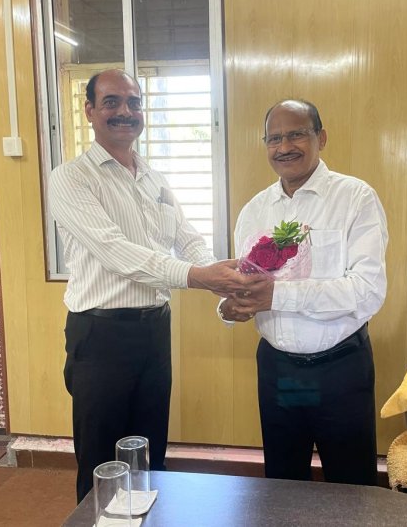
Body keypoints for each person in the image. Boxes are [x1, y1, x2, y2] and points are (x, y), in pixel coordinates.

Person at [49, 69, 262, 502]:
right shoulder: (70, 179)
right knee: (101, 462)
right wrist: (200, 278)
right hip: (100, 335)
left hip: (154, 330)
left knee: (148, 452)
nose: (125, 112)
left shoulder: (153, 177)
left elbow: (187, 239)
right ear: (89, 110)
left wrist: (226, 279)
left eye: (134, 102)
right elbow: (116, 252)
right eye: (111, 102)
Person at [219, 99, 388, 485]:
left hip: (339, 370)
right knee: (283, 482)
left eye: (296, 134)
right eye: (274, 138)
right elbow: (249, 281)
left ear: (321, 138)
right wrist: (230, 307)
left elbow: (367, 292)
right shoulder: (254, 211)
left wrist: (277, 296)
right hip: (280, 370)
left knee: (351, 486)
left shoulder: (355, 198)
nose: (284, 146)